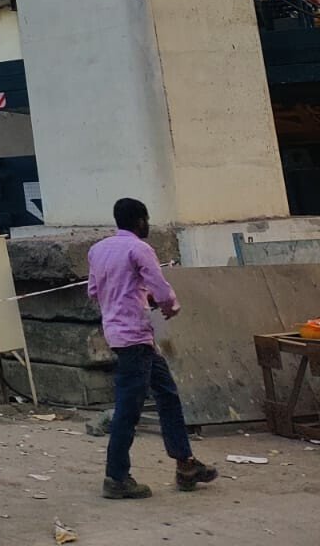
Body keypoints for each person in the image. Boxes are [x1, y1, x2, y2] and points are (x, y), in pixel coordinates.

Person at [87, 197, 217, 499]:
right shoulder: (139, 249)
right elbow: (160, 289)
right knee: (128, 409)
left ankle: (185, 464)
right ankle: (116, 477)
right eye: (146, 220)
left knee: (167, 395)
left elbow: (93, 291)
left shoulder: (98, 250)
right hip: (136, 335)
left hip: (122, 334)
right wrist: (169, 307)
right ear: (140, 220)